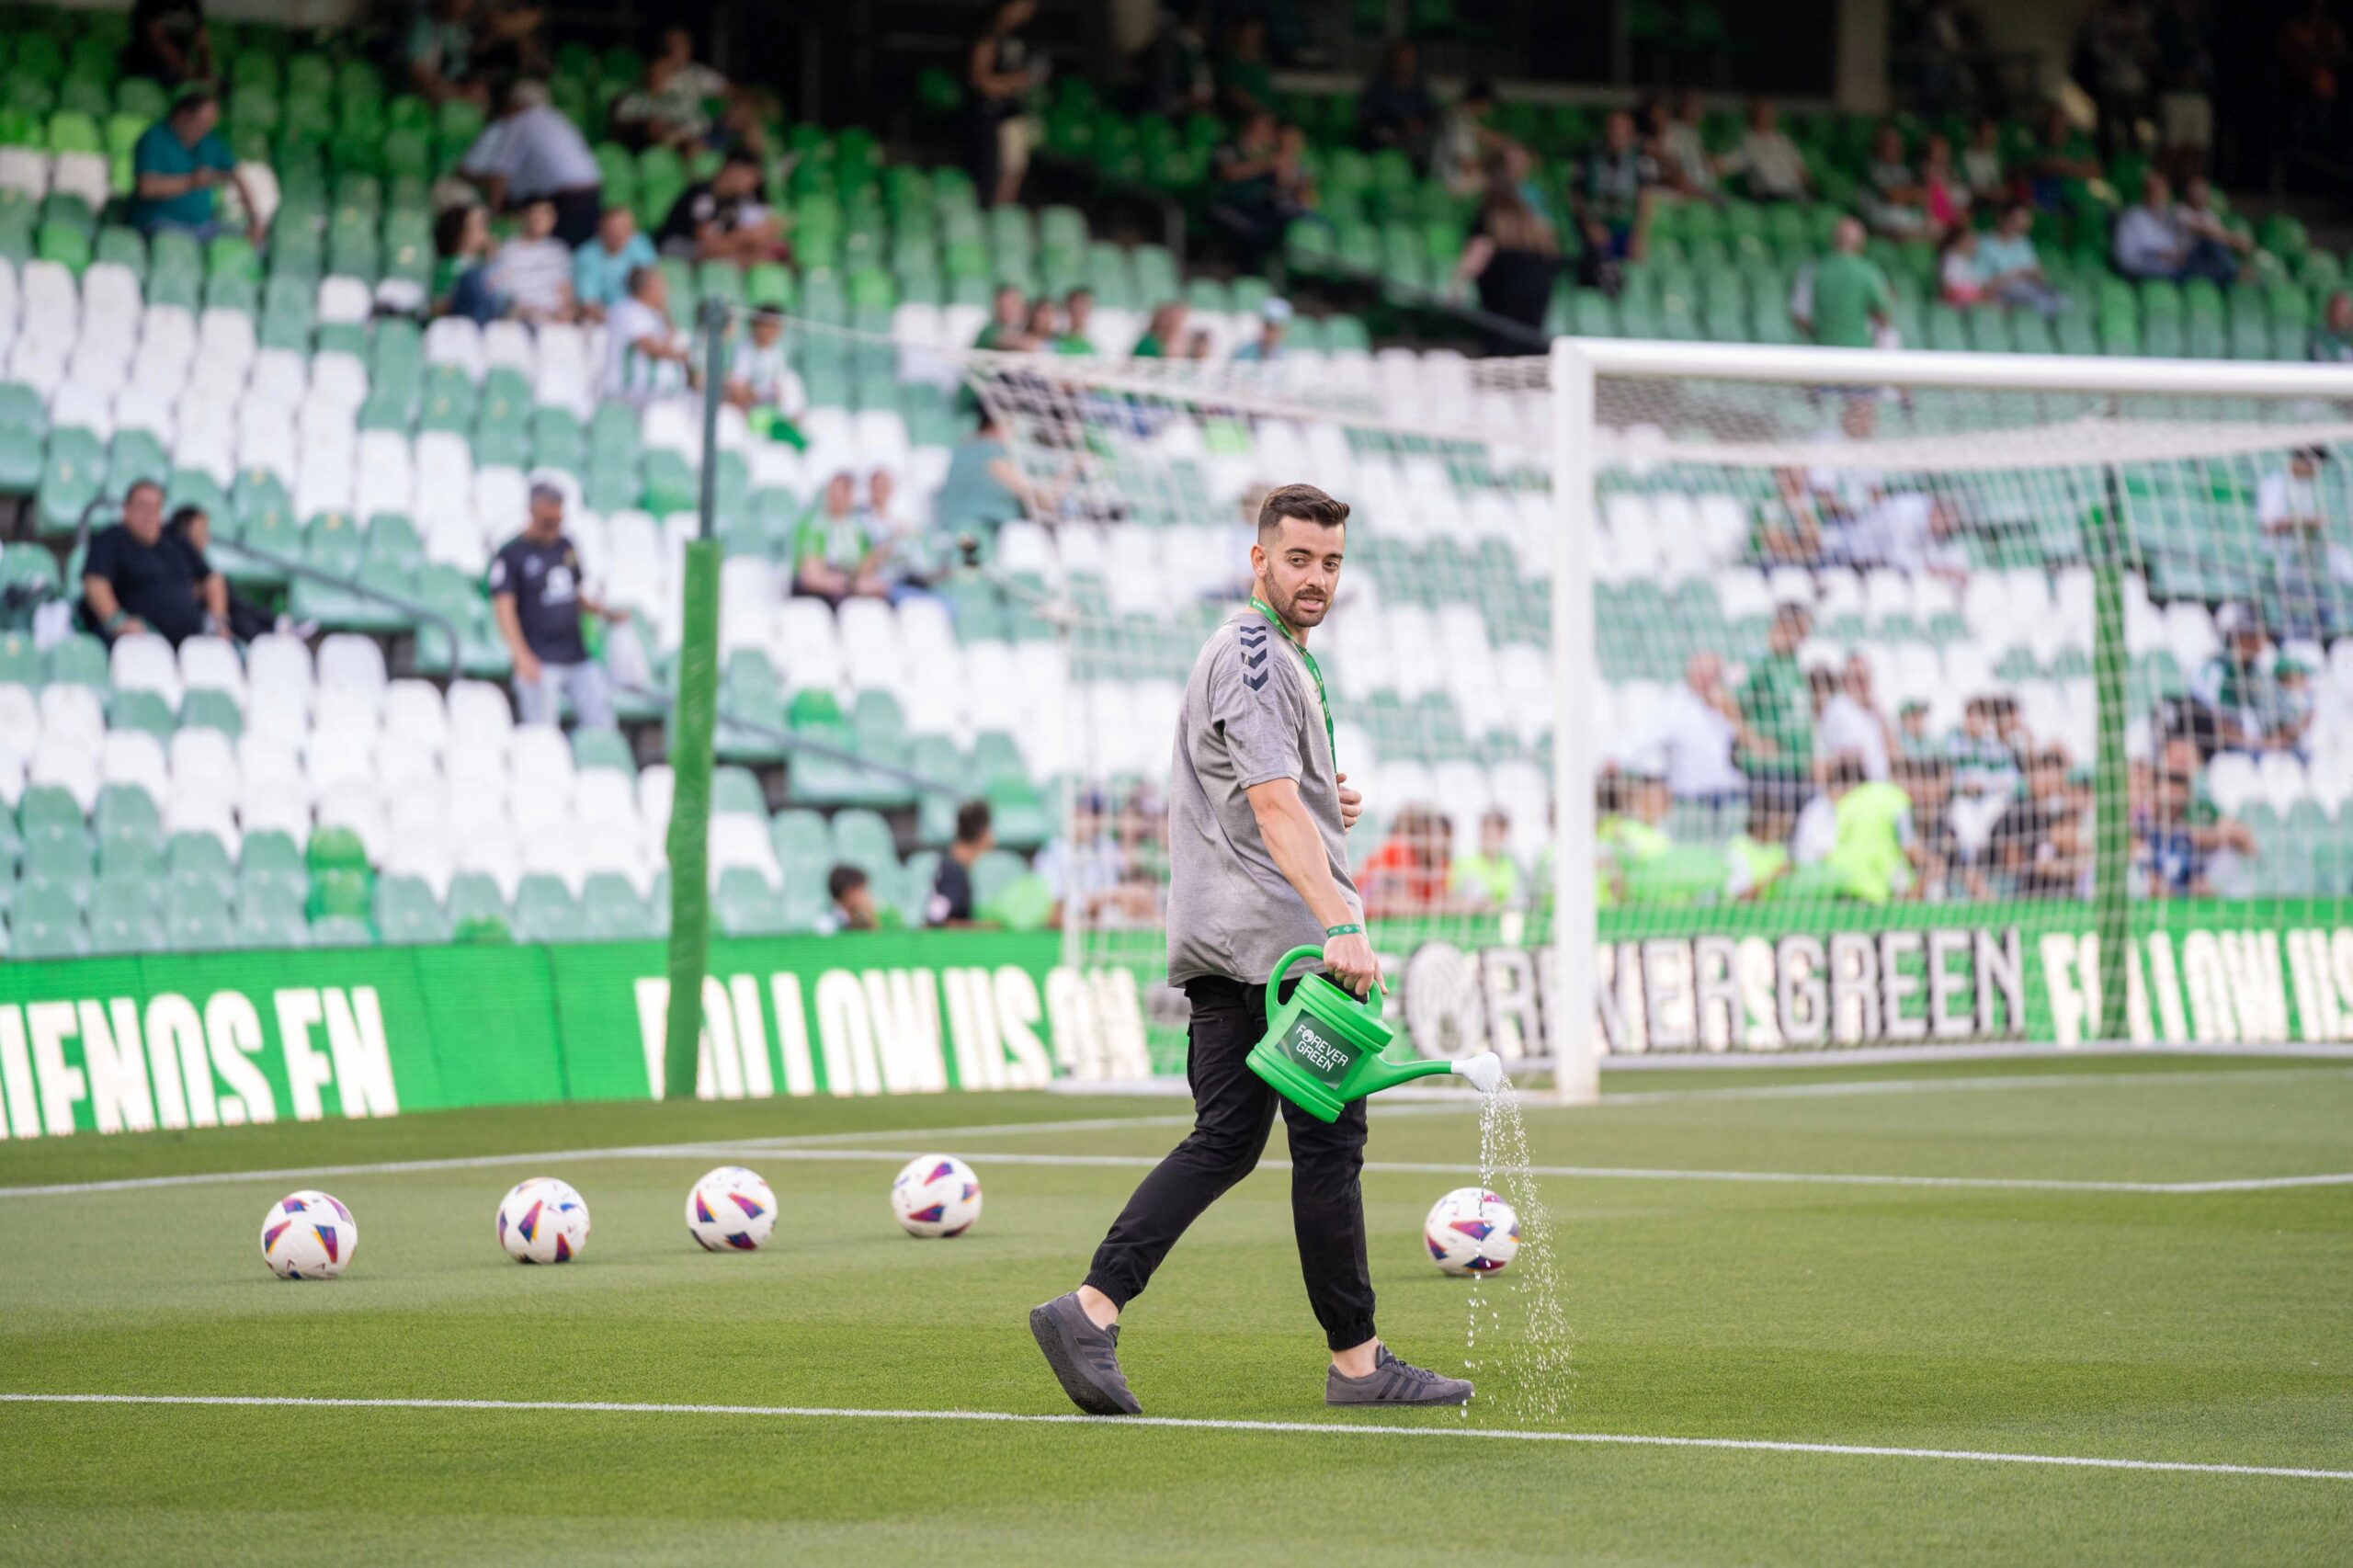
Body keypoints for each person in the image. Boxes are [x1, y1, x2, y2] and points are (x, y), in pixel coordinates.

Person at [1029, 481, 1471, 1419]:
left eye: (1332, 561)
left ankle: (1091, 1308)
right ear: (1258, 557)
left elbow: (1267, 789)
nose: (1316, 577)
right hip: (1275, 952)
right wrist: (1340, 921)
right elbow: (1269, 807)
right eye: (1299, 557)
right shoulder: (1257, 653)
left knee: (1230, 1139)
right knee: (1326, 1140)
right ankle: (1355, 1365)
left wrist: (1322, 799)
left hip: (1236, 939)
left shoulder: (1268, 654)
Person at [489, 483, 625, 729]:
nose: (554, 528)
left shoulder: (565, 546)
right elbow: (504, 608)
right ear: (533, 511)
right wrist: (521, 656)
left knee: (603, 722)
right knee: (542, 731)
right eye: (547, 522)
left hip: (577, 655)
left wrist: (604, 613)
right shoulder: (511, 554)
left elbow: (574, 594)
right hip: (539, 658)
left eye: (557, 521)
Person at [459, 78, 605, 246]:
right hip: (591, 194)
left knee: (554, 252)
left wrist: (494, 214)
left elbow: (499, 175)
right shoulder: (557, 118)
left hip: (567, 200)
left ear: (515, 104)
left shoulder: (520, 122)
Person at [82, 480, 223, 646]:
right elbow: (95, 583)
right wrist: (117, 622)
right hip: (141, 642)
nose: (149, 514)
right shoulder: (111, 539)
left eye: (155, 508)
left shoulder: (175, 540)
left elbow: (212, 579)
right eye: (142, 506)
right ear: (126, 509)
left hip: (193, 641)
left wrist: (218, 621)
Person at [1455, 158, 1560, 350]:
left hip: (1502, 311)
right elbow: (1552, 256)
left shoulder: (1490, 215)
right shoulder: (1532, 222)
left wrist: (1457, 287)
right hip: (1533, 312)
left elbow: (1479, 251)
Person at [128, 90, 258, 243]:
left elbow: (236, 175)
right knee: (177, 246)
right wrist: (191, 182)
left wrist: (255, 222)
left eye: (209, 125)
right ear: (183, 116)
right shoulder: (154, 139)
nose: (205, 130)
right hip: (160, 223)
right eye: (201, 123)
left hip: (202, 225)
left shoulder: (210, 141)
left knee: (245, 246)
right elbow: (147, 188)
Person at [1622, 652, 1751, 805]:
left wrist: (1730, 712)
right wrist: (1617, 759)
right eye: (1706, 674)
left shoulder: (1729, 702)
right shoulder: (1674, 704)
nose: (1710, 679)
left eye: (1715, 674)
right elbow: (1644, 738)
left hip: (1730, 792)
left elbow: (1751, 744)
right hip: (1691, 796)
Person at [2256, 449, 2348, 639]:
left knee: (2342, 562)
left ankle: (2330, 633)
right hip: (2281, 557)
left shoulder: (2307, 487)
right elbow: (2267, 525)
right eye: (2312, 463)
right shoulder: (2276, 484)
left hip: (2308, 557)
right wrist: (2305, 522)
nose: (2316, 469)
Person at [1738, 602, 1814, 817]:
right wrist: (1753, 741)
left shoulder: (1793, 662)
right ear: (1783, 625)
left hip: (1798, 768)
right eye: (1800, 629)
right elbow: (1726, 698)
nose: (1804, 636)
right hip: (1770, 771)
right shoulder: (1760, 658)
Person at [967, 0, 1041, 207]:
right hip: (990, 114)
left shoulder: (1025, 37)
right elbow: (980, 79)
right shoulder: (988, 35)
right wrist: (1010, 83)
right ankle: (989, 213)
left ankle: (1003, 212)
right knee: (990, 170)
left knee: (1015, 167)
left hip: (1014, 112)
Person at [655, 149, 784, 263]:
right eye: (750, 176)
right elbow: (708, 244)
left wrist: (758, 240)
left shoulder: (733, 203)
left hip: (708, 253)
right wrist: (748, 236)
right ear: (733, 169)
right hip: (676, 246)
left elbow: (727, 241)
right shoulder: (703, 195)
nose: (753, 184)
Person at [1572, 109, 1657, 277]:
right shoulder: (1588, 154)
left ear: (1630, 131)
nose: (1615, 131)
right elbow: (1575, 194)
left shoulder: (1642, 158)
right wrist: (1590, 224)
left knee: (1633, 273)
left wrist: (1639, 237)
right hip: (1594, 227)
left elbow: (1646, 197)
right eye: (1612, 126)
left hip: (1626, 228)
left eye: (1621, 127)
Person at [2112, 171, 2235, 285]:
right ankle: (2233, 274)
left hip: (2170, 268)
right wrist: (2159, 255)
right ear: (2145, 192)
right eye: (2154, 191)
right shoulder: (2132, 216)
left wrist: (2175, 255)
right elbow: (2127, 257)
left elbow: (2174, 248)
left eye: (2162, 191)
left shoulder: (2166, 216)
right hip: (2141, 270)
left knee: (2209, 251)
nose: (2158, 195)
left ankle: (2232, 273)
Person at [1792, 216, 1892, 349]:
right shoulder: (1869, 271)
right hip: (1859, 350)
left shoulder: (1813, 269)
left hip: (1822, 350)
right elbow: (1883, 315)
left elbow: (1799, 315)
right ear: (1861, 242)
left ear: (1832, 239)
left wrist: (1820, 334)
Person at [791, 472, 889, 606]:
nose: (837, 497)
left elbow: (863, 569)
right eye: (833, 492)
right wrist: (850, 586)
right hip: (820, 592)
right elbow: (812, 577)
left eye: (843, 492)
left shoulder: (858, 529)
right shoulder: (815, 525)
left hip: (846, 584)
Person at [601, 266, 691, 403]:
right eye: (661, 285)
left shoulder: (655, 315)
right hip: (634, 392)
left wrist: (666, 314)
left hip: (664, 394)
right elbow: (652, 349)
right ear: (646, 288)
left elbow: (675, 340)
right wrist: (688, 354)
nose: (666, 291)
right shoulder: (627, 310)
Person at [938, 410, 1029, 547]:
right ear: (998, 425)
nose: (1014, 434)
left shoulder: (962, 449)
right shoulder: (993, 454)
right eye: (1011, 426)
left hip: (958, 531)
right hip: (980, 537)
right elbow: (1038, 499)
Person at [724, 311, 808, 448]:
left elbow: (779, 389)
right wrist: (759, 395)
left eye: (776, 327)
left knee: (792, 381)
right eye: (769, 326)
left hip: (771, 409)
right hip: (750, 413)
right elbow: (738, 390)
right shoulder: (743, 352)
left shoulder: (777, 353)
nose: (773, 332)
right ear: (757, 326)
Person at [490, 198, 574, 322]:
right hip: (519, 315)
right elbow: (500, 291)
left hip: (554, 317)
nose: (539, 219)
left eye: (545, 214)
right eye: (535, 213)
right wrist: (527, 310)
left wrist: (567, 309)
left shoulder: (559, 251)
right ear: (523, 217)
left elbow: (565, 289)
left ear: (553, 219)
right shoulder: (507, 250)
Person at [1974, 202, 2064, 316]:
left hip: (2027, 289)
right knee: (2041, 302)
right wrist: (2014, 275)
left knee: (2062, 301)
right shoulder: (1983, 243)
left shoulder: (2023, 242)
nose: (2018, 226)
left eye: (2022, 224)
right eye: (2014, 221)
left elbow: (2038, 274)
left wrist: (2030, 275)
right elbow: (1984, 286)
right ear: (2002, 218)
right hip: (2001, 293)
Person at [572, 205, 657, 323]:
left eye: (625, 228)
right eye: (613, 228)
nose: (618, 234)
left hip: (638, 317)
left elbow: (653, 286)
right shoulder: (586, 256)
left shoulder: (639, 245)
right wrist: (620, 323)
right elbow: (589, 305)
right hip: (602, 321)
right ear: (600, 229)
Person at [1819, 653, 1895, 781]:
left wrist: (1881, 718)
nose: (1863, 683)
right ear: (1846, 679)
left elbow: (1894, 751)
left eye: (1866, 676)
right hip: (1852, 784)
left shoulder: (1876, 711)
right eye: (1858, 677)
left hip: (1880, 784)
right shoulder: (1837, 708)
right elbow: (1835, 754)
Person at [1359, 40, 1438, 163]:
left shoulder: (1419, 88)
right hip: (1387, 136)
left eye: (1410, 59)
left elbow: (1430, 114)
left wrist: (1419, 124)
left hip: (1415, 137)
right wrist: (1399, 124)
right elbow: (1369, 119)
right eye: (1402, 58)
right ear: (1392, 60)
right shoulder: (1377, 87)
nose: (1406, 63)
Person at [1721, 97, 1811, 201]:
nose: (1766, 116)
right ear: (1752, 115)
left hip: (1794, 192)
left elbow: (1801, 172)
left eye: (1769, 111)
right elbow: (1725, 165)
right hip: (1768, 196)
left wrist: (1813, 190)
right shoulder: (1746, 142)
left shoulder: (1784, 141)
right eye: (1761, 112)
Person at [433, 201, 503, 324]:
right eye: (479, 225)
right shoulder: (448, 266)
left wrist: (492, 262)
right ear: (461, 232)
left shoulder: (486, 264)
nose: (485, 231)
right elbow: (437, 305)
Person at [927, 801, 995, 926]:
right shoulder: (953, 874)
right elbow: (935, 922)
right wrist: (983, 928)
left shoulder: (951, 867)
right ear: (983, 834)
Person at [405, 0, 484, 106]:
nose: (465, 5)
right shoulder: (423, 26)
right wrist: (460, 95)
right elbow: (418, 75)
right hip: (424, 102)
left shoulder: (463, 28)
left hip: (459, 93)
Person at [1433, 79, 1502, 196]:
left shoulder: (1464, 117)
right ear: (1481, 102)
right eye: (1488, 105)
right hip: (1449, 182)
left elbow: (1485, 136)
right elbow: (1466, 165)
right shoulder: (1457, 121)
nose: (1489, 110)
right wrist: (1494, 161)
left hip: (1453, 177)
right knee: (1501, 182)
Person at [1861, 122, 1927, 239]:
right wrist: (1906, 195)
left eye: (1897, 145)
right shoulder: (1873, 168)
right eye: (1890, 145)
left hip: (1900, 215)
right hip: (1878, 217)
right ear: (1879, 146)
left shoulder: (1902, 170)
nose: (1896, 149)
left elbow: (1919, 195)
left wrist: (1906, 195)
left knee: (1930, 224)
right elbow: (1892, 196)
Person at [125, 0, 214, 86]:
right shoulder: (150, 4)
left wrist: (205, 71)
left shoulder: (191, 4)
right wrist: (183, 68)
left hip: (179, 67)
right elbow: (157, 40)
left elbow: (202, 40)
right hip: (149, 64)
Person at [1451, 809, 1519, 909]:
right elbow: (1455, 898)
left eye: (1495, 835)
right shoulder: (1464, 863)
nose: (1490, 839)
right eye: (1486, 834)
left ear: (1504, 835)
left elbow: (1516, 900)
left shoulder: (1511, 865)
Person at [818, 864, 895, 933]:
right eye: (862, 890)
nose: (867, 896)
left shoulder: (869, 915)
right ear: (850, 893)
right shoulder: (826, 926)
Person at [1232, 298, 1290, 363]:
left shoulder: (1286, 357)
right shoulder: (1244, 352)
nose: (1272, 333)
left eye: (1276, 328)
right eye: (1269, 327)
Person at [1938, 225, 1984, 306]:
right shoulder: (1950, 259)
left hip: (1971, 303)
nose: (1974, 244)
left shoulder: (1970, 261)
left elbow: (1979, 286)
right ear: (1958, 241)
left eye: (1974, 240)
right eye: (1969, 240)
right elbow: (1948, 289)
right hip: (1953, 305)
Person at [2311, 290, 2353, 362]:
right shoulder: (2319, 337)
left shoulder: (2347, 338)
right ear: (2329, 310)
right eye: (2339, 310)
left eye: (2347, 311)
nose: (2345, 316)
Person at [1056, 287, 1097, 354]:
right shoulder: (1054, 345)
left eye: (1083, 308)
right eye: (1075, 309)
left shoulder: (1094, 348)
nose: (1079, 312)